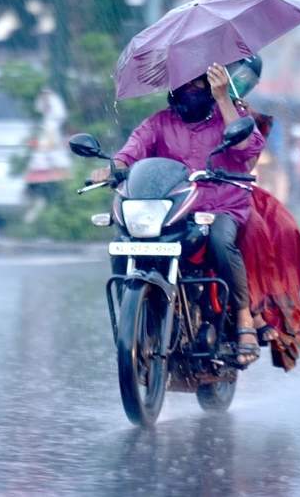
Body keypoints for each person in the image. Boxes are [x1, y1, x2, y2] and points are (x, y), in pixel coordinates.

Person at [91, 63, 278, 366]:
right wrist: (112, 168)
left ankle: (244, 316)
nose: (186, 90)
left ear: (210, 85)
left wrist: (223, 99)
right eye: (181, 83)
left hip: (220, 206)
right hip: (173, 209)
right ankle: (136, 313)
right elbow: (131, 152)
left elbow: (247, 148)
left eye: (196, 84)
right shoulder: (159, 123)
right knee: (124, 237)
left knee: (220, 240)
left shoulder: (231, 115)